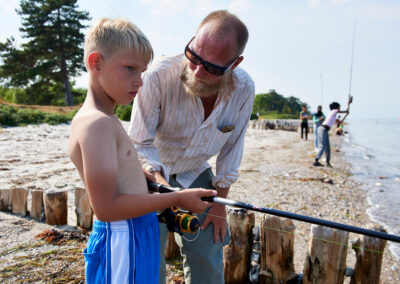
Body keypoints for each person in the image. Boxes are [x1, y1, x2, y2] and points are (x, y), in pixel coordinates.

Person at [68, 18, 215, 284]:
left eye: (142, 71)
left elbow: (119, 183)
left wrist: (143, 177)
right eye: (130, 69)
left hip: (136, 233)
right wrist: (176, 199)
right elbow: (106, 208)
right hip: (122, 239)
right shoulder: (97, 124)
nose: (140, 81)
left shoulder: (105, 119)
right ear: (95, 63)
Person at [128, 10, 254, 284]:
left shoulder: (244, 89)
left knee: (208, 258)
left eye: (212, 68)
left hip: (196, 172)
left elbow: (232, 150)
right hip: (148, 176)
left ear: (234, 64)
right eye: (194, 56)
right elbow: (139, 144)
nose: (197, 72)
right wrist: (168, 194)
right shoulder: (157, 76)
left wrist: (220, 207)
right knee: (148, 261)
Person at [313, 99, 350, 167]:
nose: (339, 108)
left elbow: (340, 122)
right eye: (339, 107)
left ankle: (328, 163)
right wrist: (348, 105)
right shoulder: (333, 111)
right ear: (336, 107)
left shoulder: (333, 115)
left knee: (327, 147)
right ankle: (316, 160)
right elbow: (342, 111)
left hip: (324, 130)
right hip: (322, 129)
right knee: (323, 146)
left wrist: (346, 115)